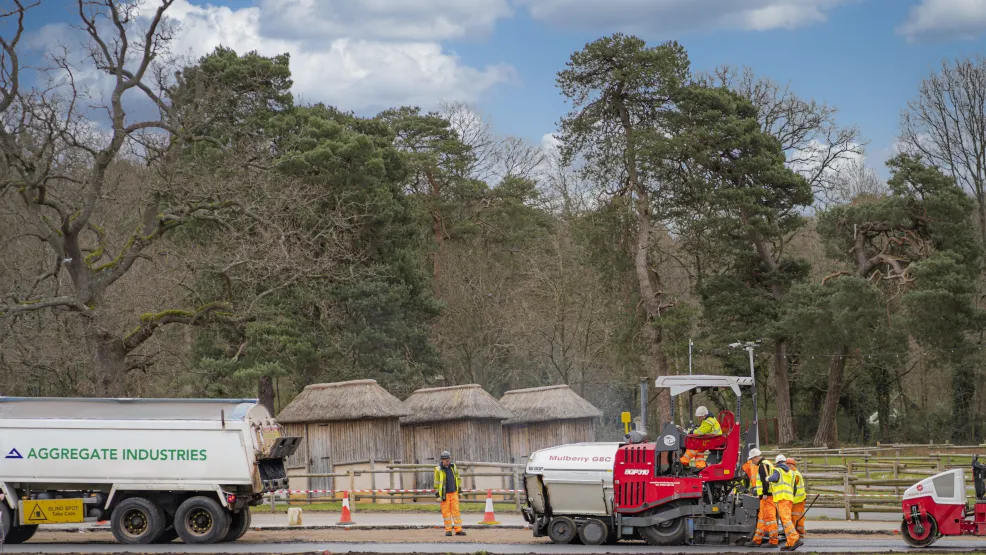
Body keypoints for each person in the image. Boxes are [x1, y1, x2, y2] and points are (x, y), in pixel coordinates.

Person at [765, 454, 803, 551]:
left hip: (781, 498)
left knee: (785, 520)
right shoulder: (792, 473)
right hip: (789, 499)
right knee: (786, 520)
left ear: (777, 462)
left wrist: (768, 478)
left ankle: (794, 538)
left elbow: (774, 478)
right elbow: (794, 488)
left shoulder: (777, 470)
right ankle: (790, 543)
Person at [743, 448, 779, 548]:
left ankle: (773, 541)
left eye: (752, 459)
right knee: (762, 518)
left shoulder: (763, 465)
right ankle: (757, 540)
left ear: (756, 457)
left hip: (767, 496)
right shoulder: (766, 464)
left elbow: (765, 480)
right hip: (765, 496)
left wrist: (765, 493)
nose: (752, 462)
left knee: (770, 518)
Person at [434, 450, 465, 536]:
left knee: (456, 512)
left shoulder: (453, 467)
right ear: (442, 460)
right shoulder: (438, 470)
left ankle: (458, 530)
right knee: (446, 513)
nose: (447, 462)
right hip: (445, 495)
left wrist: (460, 491)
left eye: (448, 460)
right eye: (446, 460)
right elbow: (436, 483)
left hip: (454, 493)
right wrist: (437, 495)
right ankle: (448, 530)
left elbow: (458, 479)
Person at [787, 458, 807, 537]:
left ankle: (797, 532)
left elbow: (791, 486)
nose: (787, 467)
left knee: (796, 516)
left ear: (792, 465)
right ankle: (799, 532)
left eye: (789, 465)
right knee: (798, 516)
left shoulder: (794, 474)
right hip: (798, 499)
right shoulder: (794, 473)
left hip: (797, 499)